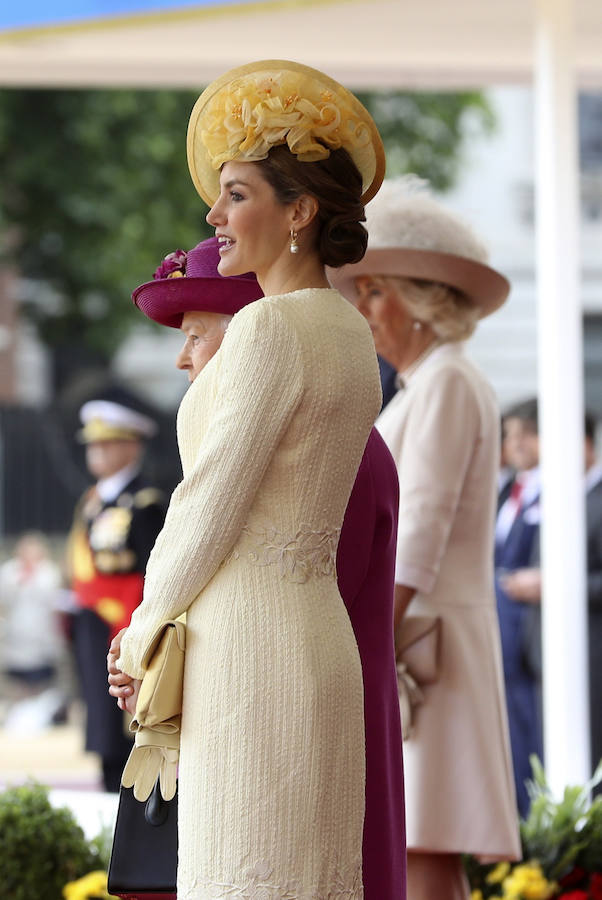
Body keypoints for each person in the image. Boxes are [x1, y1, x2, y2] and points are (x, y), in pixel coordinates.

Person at [107, 60, 386, 900]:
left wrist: (141, 631)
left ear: (299, 212)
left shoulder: (267, 327)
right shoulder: (351, 332)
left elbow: (208, 505)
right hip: (318, 642)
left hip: (249, 654)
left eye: (236, 194)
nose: (213, 214)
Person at [329, 176, 521, 900]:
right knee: (418, 843)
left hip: (424, 645)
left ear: (421, 299)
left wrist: (366, 644)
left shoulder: (446, 383)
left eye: (376, 291)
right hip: (421, 637)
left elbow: (419, 529)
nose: (363, 309)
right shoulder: (432, 383)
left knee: (426, 843)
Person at [67, 399, 166, 792]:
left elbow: (152, 572)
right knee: (99, 713)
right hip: (93, 621)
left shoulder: (144, 502)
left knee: (124, 722)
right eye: (93, 444)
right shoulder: (92, 501)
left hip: (123, 621)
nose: (96, 451)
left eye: (107, 443)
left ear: (132, 445)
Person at [502, 410, 602, 796]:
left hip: (590, 656)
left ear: (584, 445)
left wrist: (556, 585)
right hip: (544, 651)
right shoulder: (563, 495)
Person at [494, 397, 543, 817]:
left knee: (534, 724)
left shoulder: (560, 489)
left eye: (525, 434)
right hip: (502, 629)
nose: (516, 444)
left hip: (532, 631)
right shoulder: (508, 489)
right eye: (510, 436)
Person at [0, 532, 63, 701]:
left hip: (42, 636)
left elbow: (51, 597)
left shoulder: (48, 571)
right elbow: (5, 597)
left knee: (41, 683)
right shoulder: (10, 570)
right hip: (16, 637)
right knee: (17, 683)